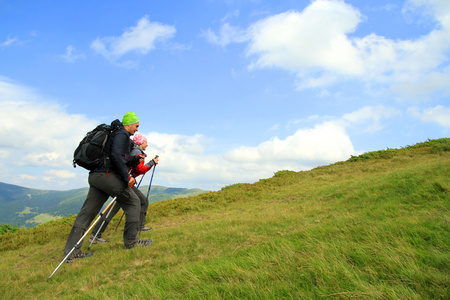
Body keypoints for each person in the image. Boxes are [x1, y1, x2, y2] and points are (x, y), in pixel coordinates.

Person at [63, 112, 151, 261]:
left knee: (87, 213)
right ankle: (132, 242)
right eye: (136, 126)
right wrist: (127, 177)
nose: (137, 129)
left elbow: (117, 157)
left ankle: (72, 252)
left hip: (96, 176)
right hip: (108, 176)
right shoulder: (122, 135)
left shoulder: (114, 134)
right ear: (128, 124)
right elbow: (117, 157)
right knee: (133, 202)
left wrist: (134, 159)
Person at [88, 133, 158, 243]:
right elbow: (139, 169)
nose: (147, 144)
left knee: (137, 201)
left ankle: (96, 234)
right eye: (145, 142)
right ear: (140, 142)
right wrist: (151, 163)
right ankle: (97, 234)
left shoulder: (134, 150)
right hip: (124, 182)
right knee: (129, 204)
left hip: (124, 181)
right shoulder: (137, 152)